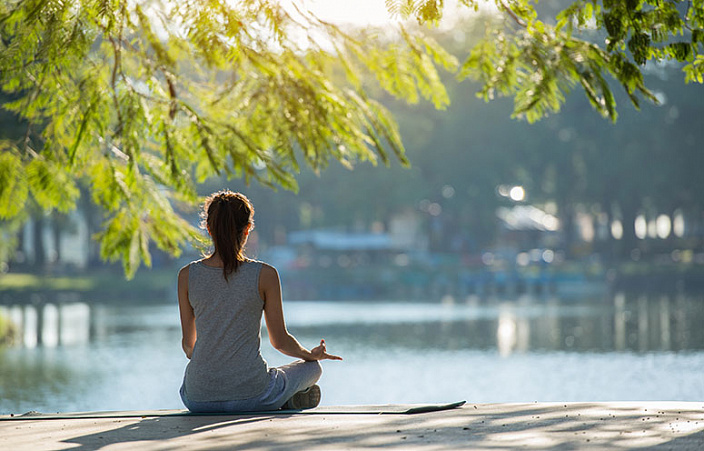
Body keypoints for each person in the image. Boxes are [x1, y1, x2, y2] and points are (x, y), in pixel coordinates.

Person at [178, 190, 342, 413]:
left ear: (208, 229)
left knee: (193, 378)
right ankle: (284, 399)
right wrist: (310, 355)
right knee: (313, 369)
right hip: (253, 395)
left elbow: (189, 346)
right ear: (247, 230)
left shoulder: (187, 276)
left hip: (198, 400)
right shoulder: (265, 275)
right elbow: (280, 342)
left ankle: (282, 399)